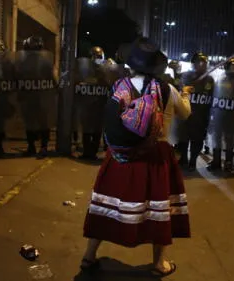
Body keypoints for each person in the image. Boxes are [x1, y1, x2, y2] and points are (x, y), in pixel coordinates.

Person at [82, 37, 192, 276]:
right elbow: (185, 114)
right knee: (159, 209)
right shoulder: (167, 89)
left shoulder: (119, 86)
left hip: (120, 157)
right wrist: (185, 95)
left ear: (131, 64)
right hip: (156, 155)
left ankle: (89, 256)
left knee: (106, 205)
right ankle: (159, 263)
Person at [174, 52, 214, 170]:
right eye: (198, 63)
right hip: (186, 113)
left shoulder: (210, 79)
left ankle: (193, 161)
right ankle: (184, 160)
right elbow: (177, 85)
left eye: (204, 63)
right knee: (183, 139)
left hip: (201, 115)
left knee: (197, 140)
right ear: (193, 64)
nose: (201, 65)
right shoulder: (185, 76)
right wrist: (176, 72)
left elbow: (212, 96)